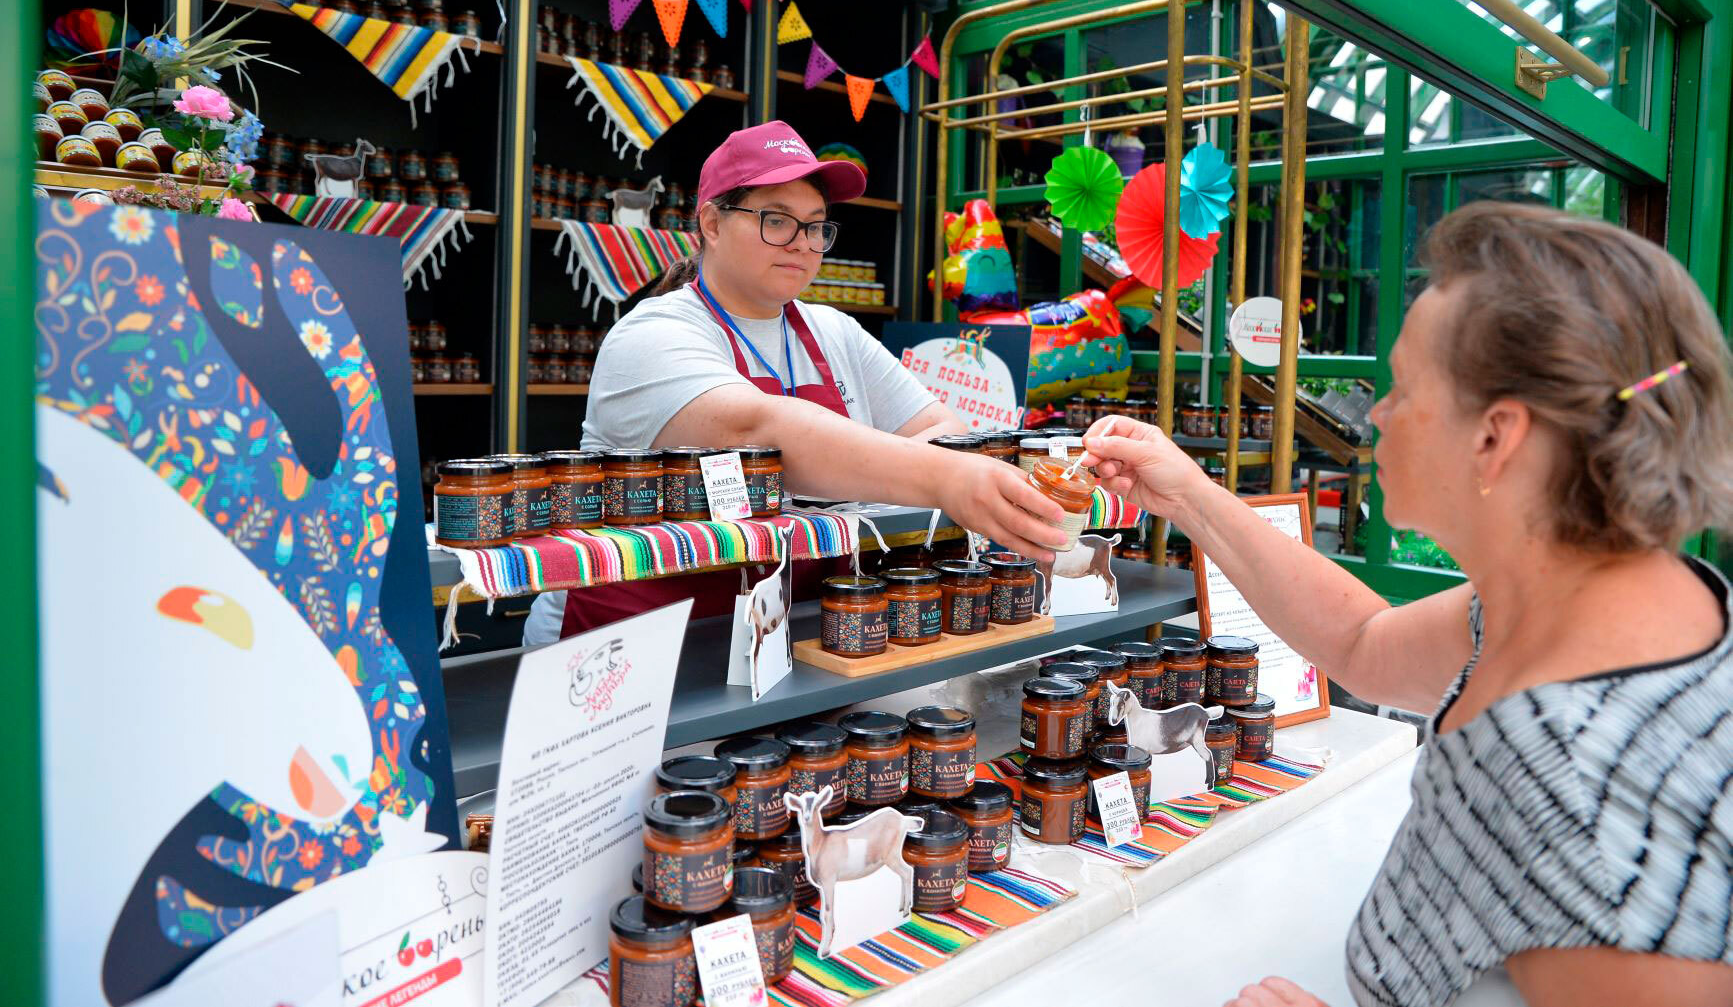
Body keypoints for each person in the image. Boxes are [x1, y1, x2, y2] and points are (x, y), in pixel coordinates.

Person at [1079, 202, 1733, 1007]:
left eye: (1402, 389)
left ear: (1495, 437)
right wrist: (1188, 496)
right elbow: (1363, 641)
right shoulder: (1584, 602)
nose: (1376, 415)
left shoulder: (1574, 784)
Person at [525, 121, 1065, 642]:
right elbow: (756, 429)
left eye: (816, 225)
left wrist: (916, 462)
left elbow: (943, 426)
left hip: (786, 629)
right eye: (777, 220)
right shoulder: (651, 334)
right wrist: (942, 475)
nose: (804, 243)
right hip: (632, 637)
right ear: (711, 224)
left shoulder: (834, 331)